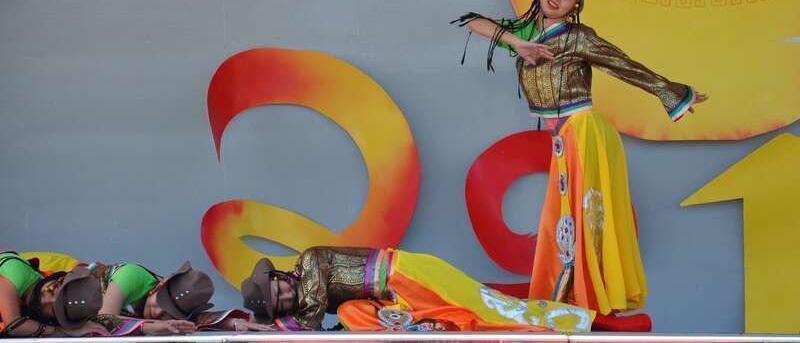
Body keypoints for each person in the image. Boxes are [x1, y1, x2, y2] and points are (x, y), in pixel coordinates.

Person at [452, 0, 707, 315]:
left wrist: (671, 93)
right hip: (563, 137)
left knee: (583, 219)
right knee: (565, 220)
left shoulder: (578, 36)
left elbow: (623, 64)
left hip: (584, 132)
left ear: (575, 6)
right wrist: (519, 44)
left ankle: (588, 298)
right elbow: (473, 22)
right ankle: (572, 296)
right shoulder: (527, 30)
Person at [240, 246, 595, 332]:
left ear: (278, 277)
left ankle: (572, 322)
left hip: (408, 273)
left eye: (279, 291)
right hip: (395, 299)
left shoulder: (310, 261)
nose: (286, 296)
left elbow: (313, 311)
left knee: (487, 309)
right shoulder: (302, 298)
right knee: (350, 314)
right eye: (280, 305)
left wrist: (271, 329)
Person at [91, 260, 268, 335]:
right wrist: (151, 326)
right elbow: (102, 319)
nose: (158, 312)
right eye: (160, 302)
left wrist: (235, 324)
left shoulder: (176, 312)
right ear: (157, 288)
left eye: (168, 313)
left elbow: (197, 320)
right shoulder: (131, 276)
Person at [0, 251, 106, 337]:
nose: (44, 301)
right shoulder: (16, 271)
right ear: (58, 279)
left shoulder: (34, 314)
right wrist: (61, 331)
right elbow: (14, 326)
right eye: (51, 290)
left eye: (54, 308)